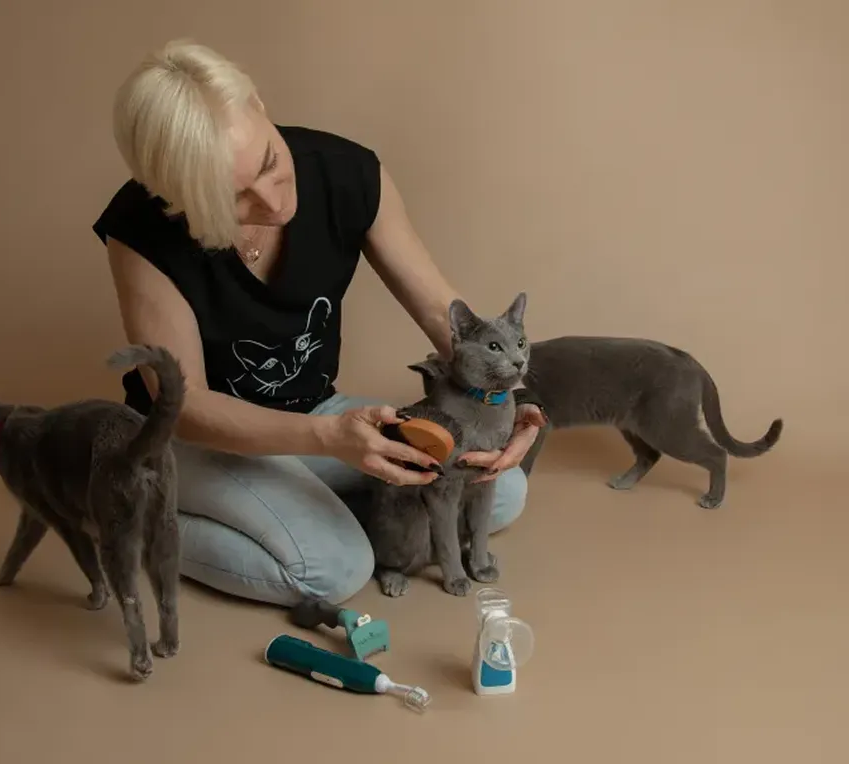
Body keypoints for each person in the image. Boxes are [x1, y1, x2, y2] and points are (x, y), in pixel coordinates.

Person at [92, 40, 543, 606]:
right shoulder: (141, 227)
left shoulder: (347, 172)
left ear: (258, 104)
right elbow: (185, 404)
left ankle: (298, 514)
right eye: (232, 199)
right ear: (175, 198)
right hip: (194, 438)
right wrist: (329, 439)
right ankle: (129, 508)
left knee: (498, 488)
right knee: (335, 568)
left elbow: (445, 315)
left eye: (269, 163)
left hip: (316, 412)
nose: (272, 201)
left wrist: (516, 401)